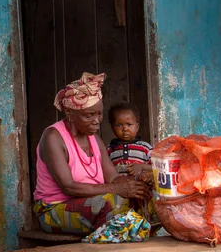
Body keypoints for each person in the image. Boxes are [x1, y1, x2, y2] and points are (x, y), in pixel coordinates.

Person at [33, 73, 153, 235]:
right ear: (69, 113)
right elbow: (68, 186)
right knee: (114, 203)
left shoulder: (94, 139)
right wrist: (117, 188)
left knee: (145, 197)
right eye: (89, 115)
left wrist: (137, 184)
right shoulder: (53, 137)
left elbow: (113, 177)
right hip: (53, 209)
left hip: (90, 202)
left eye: (99, 113)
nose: (97, 120)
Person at [106, 102, 154, 182]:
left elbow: (157, 168)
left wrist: (142, 167)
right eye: (119, 125)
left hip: (141, 189)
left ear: (137, 127)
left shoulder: (145, 148)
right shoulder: (109, 149)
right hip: (118, 189)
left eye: (129, 124)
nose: (125, 129)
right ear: (112, 127)